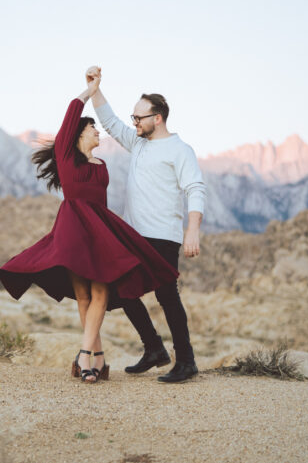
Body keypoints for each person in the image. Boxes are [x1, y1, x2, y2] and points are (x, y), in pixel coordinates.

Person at [0, 68, 179, 383]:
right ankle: (96, 358)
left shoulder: (102, 165)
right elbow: (71, 117)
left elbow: (101, 204)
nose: (99, 133)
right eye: (93, 129)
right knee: (83, 295)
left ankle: (87, 356)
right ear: (79, 134)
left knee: (100, 292)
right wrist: (90, 91)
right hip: (73, 230)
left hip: (100, 231)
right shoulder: (67, 159)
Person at [91, 70, 206, 383]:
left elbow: (195, 187)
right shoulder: (138, 143)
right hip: (133, 235)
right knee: (122, 289)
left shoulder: (179, 150)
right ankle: (154, 348)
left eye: (139, 117)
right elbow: (111, 122)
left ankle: (186, 361)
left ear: (157, 118)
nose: (134, 122)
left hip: (163, 236)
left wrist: (192, 229)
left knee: (167, 296)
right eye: (134, 116)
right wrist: (95, 90)